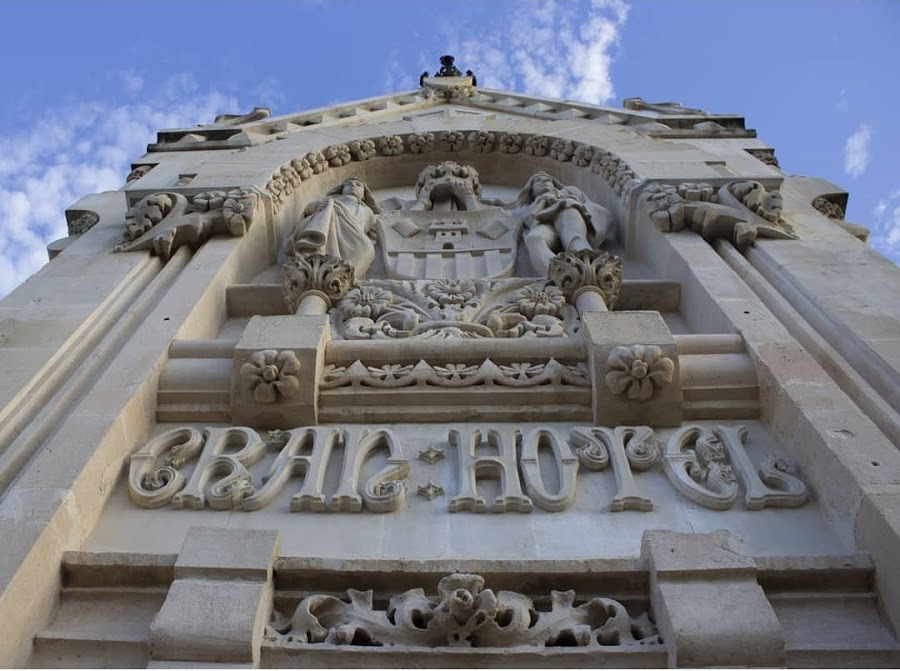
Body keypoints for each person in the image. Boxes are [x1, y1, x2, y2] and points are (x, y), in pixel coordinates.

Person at [514, 172, 613, 275]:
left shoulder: (568, 191)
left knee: (575, 238)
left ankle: (586, 263)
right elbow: (531, 219)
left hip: (567, 213)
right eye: (538, 180)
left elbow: (587, 206)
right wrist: (542, 201)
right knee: (533, 238)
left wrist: (561, 199)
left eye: (548, 180)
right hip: (545, 224)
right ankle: (559, 273)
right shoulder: (529, 207)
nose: (544, 182)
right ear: (531, 191)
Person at [285, 178, 381, 276]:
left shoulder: (368, 211)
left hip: (356, 236)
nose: (353, 186)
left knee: (367, 248)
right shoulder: (332, 200)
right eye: (348, 184)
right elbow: (309, 210)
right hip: (332, 227)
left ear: (364, 195)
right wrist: (316, 206)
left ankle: (347, 277)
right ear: (341, 190)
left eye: (358, 185)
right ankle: (315, 262)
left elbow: (374, 228)